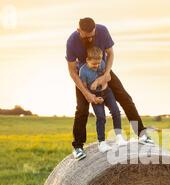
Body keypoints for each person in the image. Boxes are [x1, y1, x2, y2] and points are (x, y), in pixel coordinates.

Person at [66, 17, 154, 160]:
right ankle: (78, 147)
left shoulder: (102, 30)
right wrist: (87, 93)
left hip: (103, 69)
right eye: (86, 36)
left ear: (95, 30)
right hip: (84, 76)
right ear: (78, 31)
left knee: (125, 98)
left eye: (92, 36)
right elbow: (72, 71)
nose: (90, 39)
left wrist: (106, 74)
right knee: (81, 110)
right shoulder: (71, 42)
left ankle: (142, 133)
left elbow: (111, 53)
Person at [79, 47, 127, 153]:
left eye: (98, 63)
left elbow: (108, 77)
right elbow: (85, 87)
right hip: (94, 96)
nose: (96, 66)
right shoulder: (83, 71)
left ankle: (119, 137)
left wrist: (98, 82)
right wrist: (94, 98)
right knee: (101, 117)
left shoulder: (102, 64)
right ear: (87, 60)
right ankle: (101, 142)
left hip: (107, 92)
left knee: (116, 112)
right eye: (94, 64)